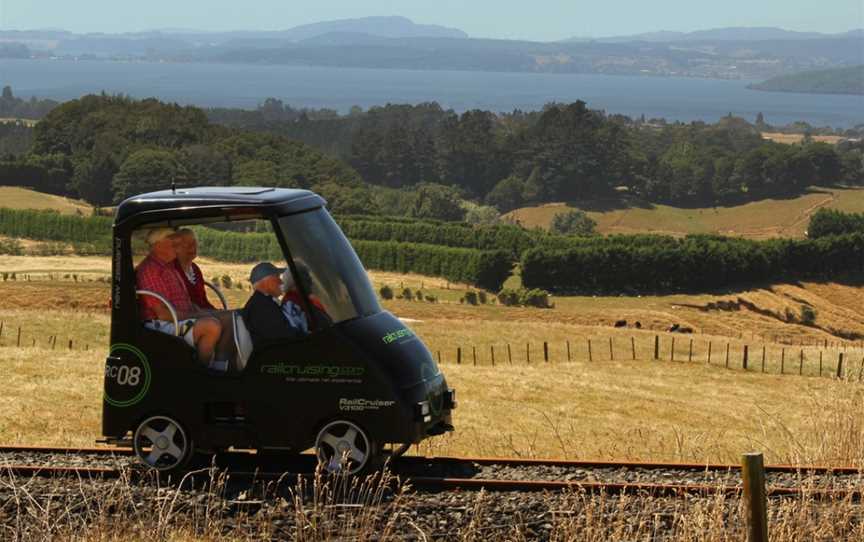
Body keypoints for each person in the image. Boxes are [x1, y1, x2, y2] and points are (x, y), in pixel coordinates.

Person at [136, 227, 227, 371]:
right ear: (158, 244)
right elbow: (163, 314)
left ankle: (225, 365)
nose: (177, 247)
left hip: (177, 319)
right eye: (173, 243)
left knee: (225, 318)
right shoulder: (150, 270)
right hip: (160, 326)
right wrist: (198, 315)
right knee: (211, 326)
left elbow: (185, 302)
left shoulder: (169, 267)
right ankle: (204, 375)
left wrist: (204, 312)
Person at [243, 262, 308, 349]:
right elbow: (282, 335)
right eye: (277, 277)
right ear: (266, 282)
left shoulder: (262, 302)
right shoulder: (260, 307)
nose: (281, 281)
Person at [173, 228, 215, 311]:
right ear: (176, 248)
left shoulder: (195, 268)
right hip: (189, 316)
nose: (192, 247)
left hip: (204, 314)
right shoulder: (173, 270)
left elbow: (204, 301)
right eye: (186, 244)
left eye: (194, 243)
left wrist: (216, 311)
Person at [280, 262, 332, 328]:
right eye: (306, 278)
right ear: (296, 282)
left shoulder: (309, 300)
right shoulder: (290, 304)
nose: (311, 282)